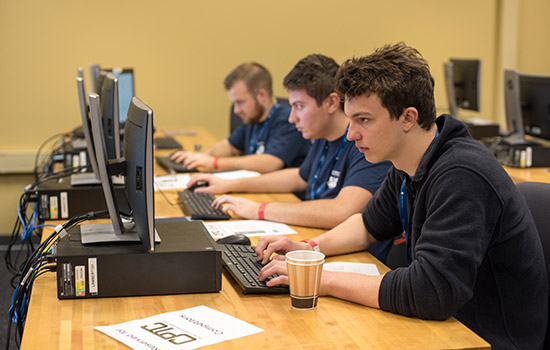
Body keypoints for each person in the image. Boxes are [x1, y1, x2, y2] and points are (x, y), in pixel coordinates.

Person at [255, 43, 547, 349]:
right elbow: (369, 225)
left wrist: (318, 279)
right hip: (445, 325)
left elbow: (431, 291)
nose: (351, 133)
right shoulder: (407, 162)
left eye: (364, 120)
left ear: (408, 117)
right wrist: (308, 250)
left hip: (483, 337)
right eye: (350, 119)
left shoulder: (462, 174)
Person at [186, 54, 391, 229]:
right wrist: (229, 184)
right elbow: (300, 177)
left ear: (331, 102)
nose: (292, 118)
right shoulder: (323, 135)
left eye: (299, 106)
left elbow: (341, 211)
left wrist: (260, 209)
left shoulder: (365, 143)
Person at [170, 62, 310, 173]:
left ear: (261, 95)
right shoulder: (253, 118)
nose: (236, 110)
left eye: (240, 102)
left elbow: (270, 162)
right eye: (234, 103)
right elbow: (229, 146)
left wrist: (213, 162)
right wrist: (201, 158)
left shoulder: (288, 119)